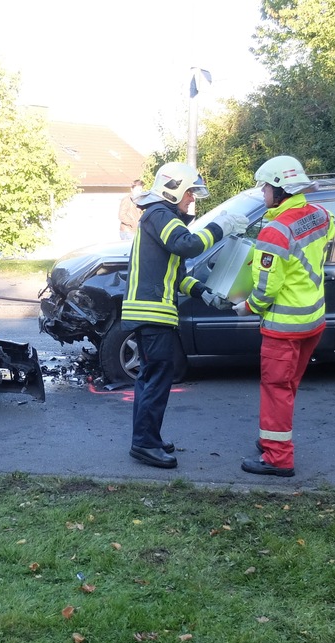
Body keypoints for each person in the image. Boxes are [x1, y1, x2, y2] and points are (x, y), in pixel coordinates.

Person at [232, 155, 335, 478]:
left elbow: (267, 287)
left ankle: (278, 458)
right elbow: (326, 237)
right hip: (313, 321)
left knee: (276, 389)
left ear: (280, 190)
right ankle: (270, 439)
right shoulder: (320, 215)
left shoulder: (275, 231)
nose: (262, 193)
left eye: (265, 187)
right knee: (287, 387)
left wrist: (246, 307)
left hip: (284, 327)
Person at [124, 162, 224, 468]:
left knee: (150, 379)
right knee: (156, 380)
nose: (192, 199)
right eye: (190, 193)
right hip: (152, 313)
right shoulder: (160, 214)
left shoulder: (158, 217)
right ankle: (144, 444)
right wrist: (221, 228)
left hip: (149, 313)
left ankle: (147, 438)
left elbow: (177, 274)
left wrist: (203, 292)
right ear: (174, 190)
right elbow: (187, 245)